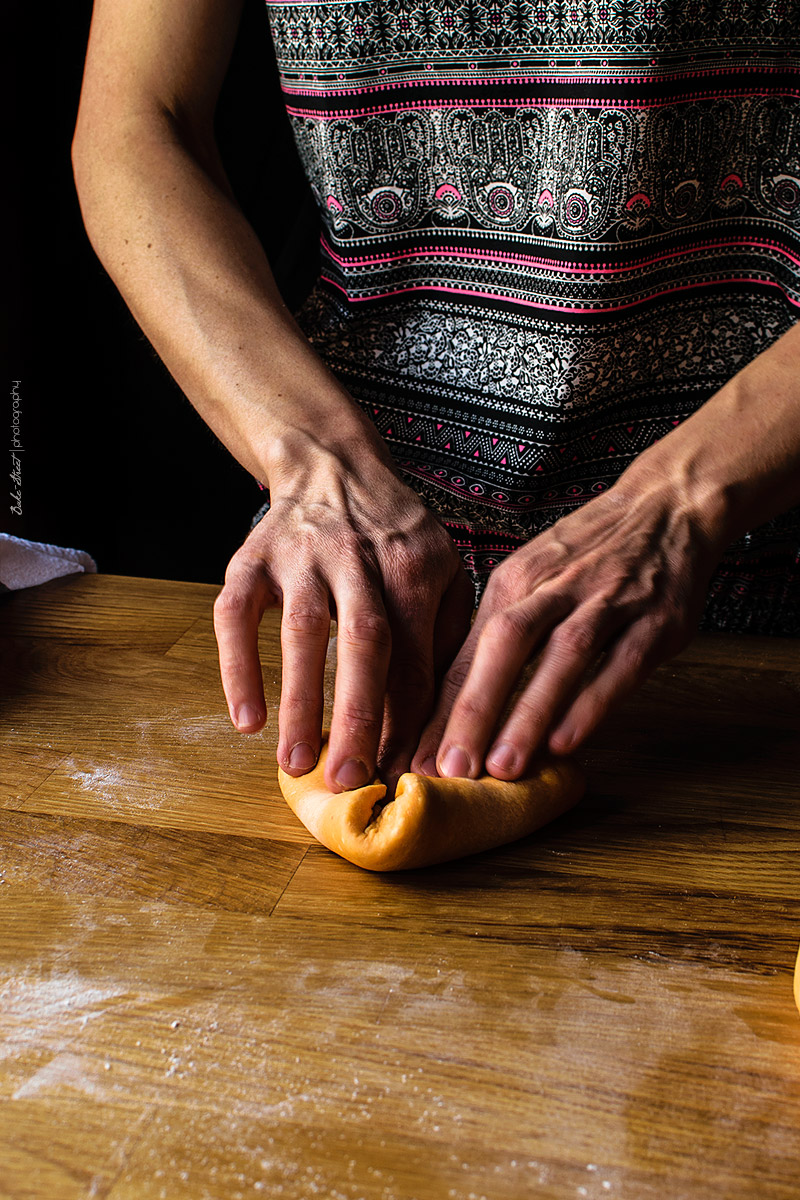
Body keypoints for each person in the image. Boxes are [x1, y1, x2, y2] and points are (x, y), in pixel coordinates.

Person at [72, 0, 800, 798]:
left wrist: (683, 500)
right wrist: (317, 463)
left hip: (757, 578)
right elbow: (141, 122)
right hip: (356, 586)